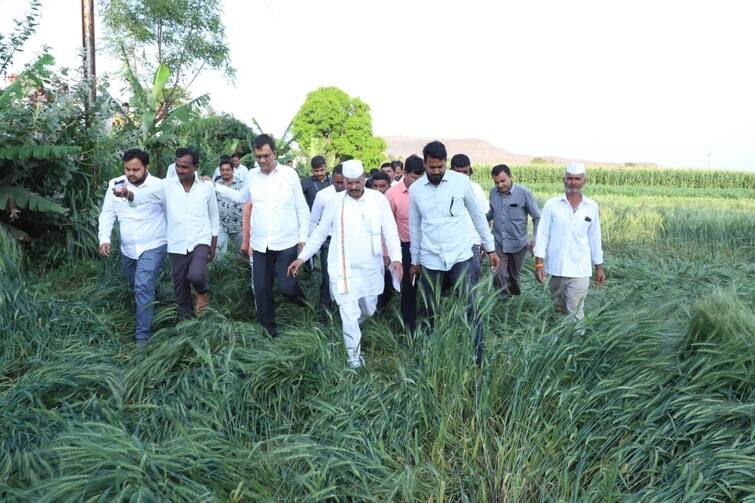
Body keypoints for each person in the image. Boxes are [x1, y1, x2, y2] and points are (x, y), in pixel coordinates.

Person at [288, 160, 402, 368]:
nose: (353, 187)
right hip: (343, 268)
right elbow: (321, 232)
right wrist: (301, 257)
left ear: (364, 179)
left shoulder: (378, 200)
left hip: (370, 268)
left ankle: (350, 328)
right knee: (349, 313)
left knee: (368, 309)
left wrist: (396, 258)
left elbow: (391, 231)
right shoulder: (335, 202)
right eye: (348, 183)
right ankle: (354, 361)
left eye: (357, 182)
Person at [409, 141, 499, 366]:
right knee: (429, 309)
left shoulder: (461, 182)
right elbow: (415, 227)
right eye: (432, 168)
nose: (436, 171)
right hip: (431, 259)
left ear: (446, 163)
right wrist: (415, 260)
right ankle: (429, 355)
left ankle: (477, 357)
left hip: (461, 256)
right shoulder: (416, 190)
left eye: (440, 167)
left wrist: (490, 248)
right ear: (425, 164)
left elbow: (478, 216)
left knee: (471, 307)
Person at [214, 134, 309, 337]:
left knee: (286, 287)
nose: (263, 160)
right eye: (258, 156)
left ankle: (302, 300)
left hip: (286, 242)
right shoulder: (252, 176)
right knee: (261, 289)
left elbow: (302, 207)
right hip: (260, 245)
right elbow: (241, 197)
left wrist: (303, 239)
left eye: (266, 156)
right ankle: (269, 332)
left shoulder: (289, 174)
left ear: (275, 153)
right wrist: (215, 187)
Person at [115, 147, 219, 319]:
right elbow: (143, 196)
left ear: (196, 166)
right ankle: (188, 325)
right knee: (180, 289)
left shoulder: (206, 187)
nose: (180, 170)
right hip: (176, 243)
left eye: (185, 167)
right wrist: (128, 194)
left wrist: (213, 245)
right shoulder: (166, 185)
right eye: (177, 165)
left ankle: (202, 292)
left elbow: (214, 216)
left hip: (201, 240)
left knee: (195, 274)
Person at [98, 148, 167, 344]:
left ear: (147, 167)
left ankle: (142, 339)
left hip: (154, 243)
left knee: (142, 284)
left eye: (135, 169)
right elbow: (107, 213)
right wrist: (105, 239)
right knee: (137, 285)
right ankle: (157, 302)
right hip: (128, 248)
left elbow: (171, 211)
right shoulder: (115, 185)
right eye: (127, 169)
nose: (130, 174)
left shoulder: (159, 186)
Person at [534, 163, 605, 320]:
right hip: (556, 269)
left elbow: (595, 238)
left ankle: (577, 343)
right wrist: (539, 263)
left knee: (575, 310)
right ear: (563, 180)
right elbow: (542, 234)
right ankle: (561, 342)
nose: (573, 182)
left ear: (584, 182)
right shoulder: (551, 205)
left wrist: (599, 268)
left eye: (577, 179)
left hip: (580, 269)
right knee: (558, 309)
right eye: (570, 178)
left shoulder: (591, 207)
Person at [385, 154, 425, 332]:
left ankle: (428, 325)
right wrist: (389, 254)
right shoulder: (392, 194)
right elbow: (387, 226)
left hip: (429, 246)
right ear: (405, 174)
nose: (418, 182)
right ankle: (409, 328)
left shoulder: (429, 190)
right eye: (414, 178)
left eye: (421, 178)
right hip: (406, 247)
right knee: (409, 288)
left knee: (429, 287)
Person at [487, 164, 540, 298]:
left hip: (518, 244)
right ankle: (503, 302)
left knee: (514, 277)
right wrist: (477, 219)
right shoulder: (493, 193)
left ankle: (515, 301)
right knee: (499, 275)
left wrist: (536, 239)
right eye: (496, 182)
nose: (499, 185)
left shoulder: (524, 193)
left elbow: (537, 217)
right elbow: (492, 212)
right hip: (498, 242)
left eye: (503, 181)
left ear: (510, 177)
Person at [307, 164, 345, 321]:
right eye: (337, 183)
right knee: (328, 277)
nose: (341, 186)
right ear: (332, 178)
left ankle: (345, 309)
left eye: (344, 182)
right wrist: (309, 246)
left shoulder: (354, 195)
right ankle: (325, 312)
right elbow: (314, 221)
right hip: (327, 242)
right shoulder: (323, 195)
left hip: (348, 240)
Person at [450, 153, 489, 279]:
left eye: (465, 172)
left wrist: (484, 241)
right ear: (451, 171)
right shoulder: (444, 189)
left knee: (472, 280)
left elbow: (484, 216)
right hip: (450, 242)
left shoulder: (476, 189)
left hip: (472, 242)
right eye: (458, 172)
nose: (462, 176)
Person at [214, 156, 245, 257]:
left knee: (240, 255)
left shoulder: (241, 185)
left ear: (233, 170)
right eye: (222, 170)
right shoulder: (215, 185)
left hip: (239, 227)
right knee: (219, 254)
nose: (225, 172)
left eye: (227, 170)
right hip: (222, 226)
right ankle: (220, 272)